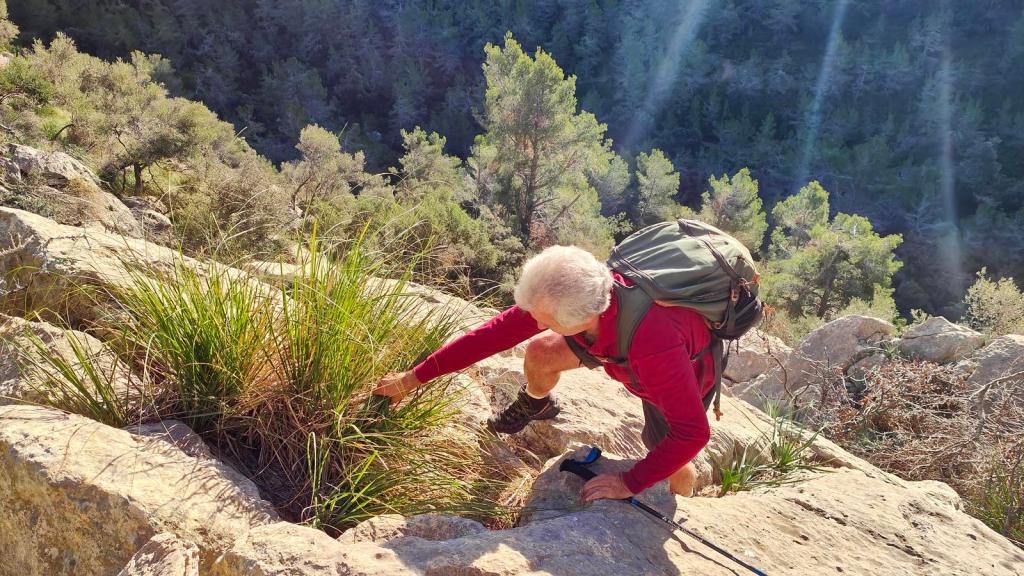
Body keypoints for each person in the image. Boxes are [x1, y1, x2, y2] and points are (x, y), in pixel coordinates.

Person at [373, 245, 716, 502]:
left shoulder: (655, 347)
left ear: (583, 318)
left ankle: (680, 502)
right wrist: (412, 379)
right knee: (541, 351)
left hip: (682, 366)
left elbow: (692, 433)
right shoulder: (570, 294)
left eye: (545, 320)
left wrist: (629, 483)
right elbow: (491, 337)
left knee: (669, 453)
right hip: (613, 342)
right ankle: (535, 403)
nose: (535, 324)